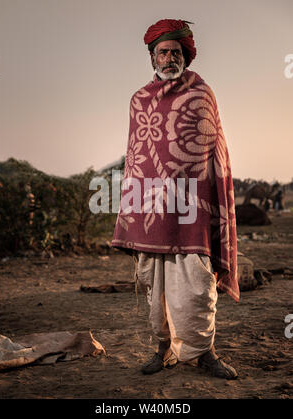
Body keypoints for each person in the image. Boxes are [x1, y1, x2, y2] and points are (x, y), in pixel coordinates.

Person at [111, 19, 239, 380]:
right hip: (151, 209)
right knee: (156, 289)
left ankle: (205, 354)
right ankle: (162, 350)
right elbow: (136, 158)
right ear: (152, 56)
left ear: (187, 56)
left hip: (191, 210)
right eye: (163, 52)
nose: (169, 58)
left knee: (197, 287)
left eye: (176, 52)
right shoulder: (139, 100)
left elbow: (212, 153)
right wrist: (132, 210)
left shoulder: (201, 94)